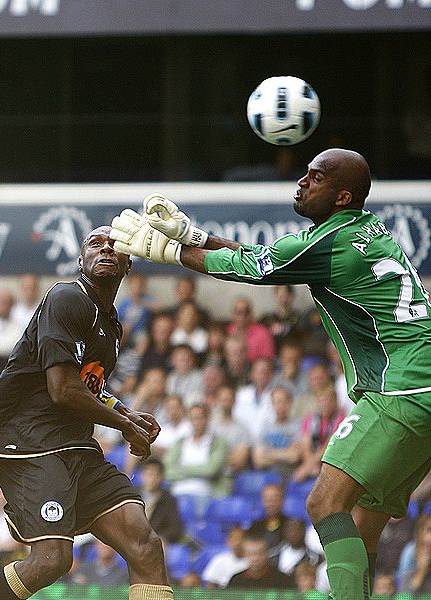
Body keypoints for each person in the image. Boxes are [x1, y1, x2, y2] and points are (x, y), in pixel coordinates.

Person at [111, 148, 431, 599]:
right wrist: (193, 234)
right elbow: (263, 256)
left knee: (323, 502)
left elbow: (250, 268)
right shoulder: (363, 232)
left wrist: (171, 252)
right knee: (363, 522)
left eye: (315, 178)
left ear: (342, 196)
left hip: (404, 386)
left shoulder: (332, 243)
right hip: (421, 386)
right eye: (305, 173)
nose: (301, 182)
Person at [0, 227, 171, 600]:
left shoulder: (112, 323)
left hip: (74, 444)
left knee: (145, 544)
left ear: (129, 264)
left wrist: (125, 410)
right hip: (27, 439)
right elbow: (63, 390)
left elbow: (85, 385)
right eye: (95, 244)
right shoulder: (66, 298)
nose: (106, 249)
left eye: (116, 246)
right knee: (52, 559)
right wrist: (126, 424)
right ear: (81, 260)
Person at [226, 533, 294, 590]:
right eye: (251, 554)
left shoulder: (282, 579)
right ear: (244, 554)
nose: (256, 558)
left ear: (267, 553)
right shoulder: (236, 581)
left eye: (260, 553)